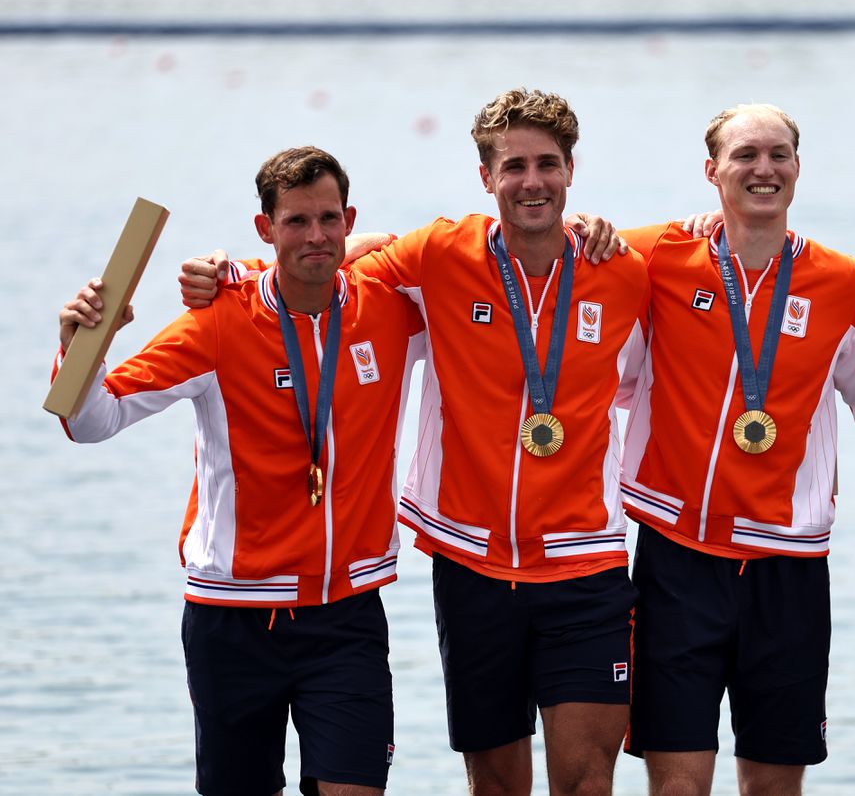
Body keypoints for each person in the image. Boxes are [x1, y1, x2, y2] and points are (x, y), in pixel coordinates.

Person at [179, 89, 650, 796]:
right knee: (495, 784)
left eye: (547, 164)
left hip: (585, 559)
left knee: (587, 782)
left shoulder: (624, 272)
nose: (532, 181)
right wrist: (228, 274)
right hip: (471, 559)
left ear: (571, 170)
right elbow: (317, 271)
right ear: (486, 177)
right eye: (513, 165)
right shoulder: (437, 254)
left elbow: (649, 373)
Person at [54, 147, 424, 795]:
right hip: (232, 616)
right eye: (295, 222)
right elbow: (93, 421)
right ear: (264, 228)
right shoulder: (219, 321)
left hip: (346, 612)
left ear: (348, 220)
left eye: (329, 220)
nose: (316, 236)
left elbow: (442, 260)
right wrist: (81, 342)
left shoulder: (390, 308)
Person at [614, 104, 855, 795]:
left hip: (787, 565)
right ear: (712, 172)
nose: (763, 169)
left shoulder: (843, 281)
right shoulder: (662, 257)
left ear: (796, 167)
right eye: (744, 156)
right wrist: (590, 225)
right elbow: (575, 256)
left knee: (773, 788)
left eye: (779, 154)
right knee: (678, 787)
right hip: (678, 557)